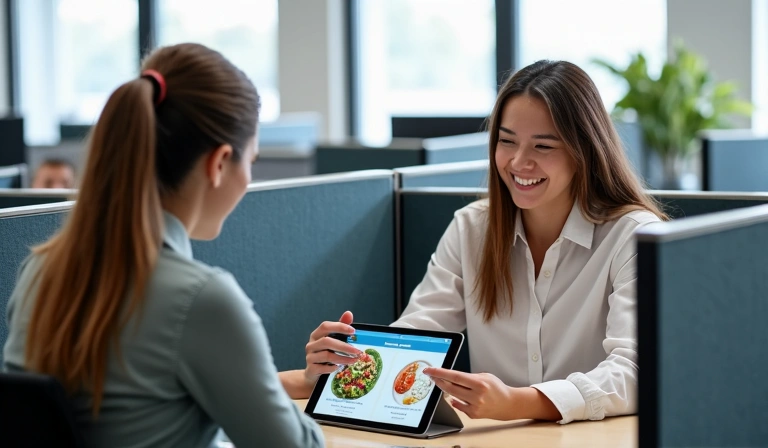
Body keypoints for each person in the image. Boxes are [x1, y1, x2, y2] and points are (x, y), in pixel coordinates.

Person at [286, 60, 669, 424]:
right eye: (507, 141)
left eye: (543, 146)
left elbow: (636, 370)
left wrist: (519, 402)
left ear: (584, 151)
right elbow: (418, 337)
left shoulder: (631, 236)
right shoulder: (473, 229)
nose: (519, 162)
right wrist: (343, 362)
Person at [3, 43, 324, 448]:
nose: (249, 180)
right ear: (219, 163)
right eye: (251, 161)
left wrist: (291, 382)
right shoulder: (201, 299)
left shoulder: (39, 273)